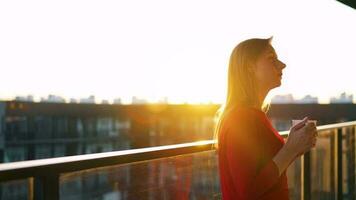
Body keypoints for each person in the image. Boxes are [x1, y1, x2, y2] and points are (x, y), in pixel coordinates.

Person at [213, 37, 318, 200]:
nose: (282, 64)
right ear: (249, 67)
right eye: (271, 58)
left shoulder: (252, 115)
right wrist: (289, 150)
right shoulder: (240, 118)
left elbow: (266, 169)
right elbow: (248, 190)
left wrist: (295, 147)